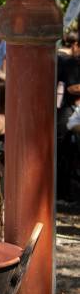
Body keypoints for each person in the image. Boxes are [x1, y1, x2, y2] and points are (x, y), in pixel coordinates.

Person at [57, 31, 80, 200]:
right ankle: (62, 190)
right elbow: (72, 88)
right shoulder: (71, 63)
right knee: (62, 151)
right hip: (67, 113)